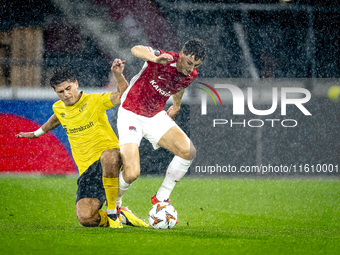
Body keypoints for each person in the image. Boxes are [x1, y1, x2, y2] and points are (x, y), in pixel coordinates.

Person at [15, 60, 148, 228]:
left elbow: (123, 95)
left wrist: (117, 74)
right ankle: (122, 217)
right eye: (60, 92)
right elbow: (56, 119)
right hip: (87, 170)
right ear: (56, 93)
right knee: (86, 218)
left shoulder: (95, 100)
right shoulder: (59, 108)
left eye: (68, 88)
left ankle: (113, 212)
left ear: (76, 83)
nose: (66, 94)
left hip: (110, 158)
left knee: (109, 156)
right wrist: (36, 134)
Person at [116, 39, 206, 221]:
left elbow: (180, 86)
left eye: (196, 65)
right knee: (132, 173)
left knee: (188, 151)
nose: (191, 68)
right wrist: (153, 59)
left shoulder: (192, 73)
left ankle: (161, 197)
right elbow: (136, 48)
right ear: (181, 54)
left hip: (155, 116)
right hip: (130, 112)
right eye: (189, 62)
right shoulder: (164, 58)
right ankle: (115, 204)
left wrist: (177, 104)